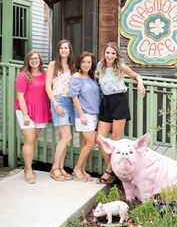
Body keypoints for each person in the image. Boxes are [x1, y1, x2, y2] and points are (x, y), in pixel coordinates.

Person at [96, 42, 146, 184]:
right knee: (100, 139)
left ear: (116, 55)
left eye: (113, 53)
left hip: (119, 102)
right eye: (107, 53)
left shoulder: (121, 67)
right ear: (104, 53)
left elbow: (137, 76)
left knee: (116, 138)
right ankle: (113, 169)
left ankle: (109, 172)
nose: (110, 56)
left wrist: (140, 84)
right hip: (106, 103)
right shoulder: (100, 66)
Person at [15, 50, 51, 184]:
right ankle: (28, 169)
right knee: (30, 139)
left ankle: (27, 165)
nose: (34, 60)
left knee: (32, 139)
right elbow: (20, 96)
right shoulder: (23, 75)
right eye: (31, 59)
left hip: (40, 110)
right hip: (26, 110)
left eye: (36, 58)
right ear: (28, 62)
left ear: (40, 60)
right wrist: (25, 115)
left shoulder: (45, 74)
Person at [46, 39, 75, 181]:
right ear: (58, 50)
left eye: (66, 48)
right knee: (67, 136)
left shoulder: (72, 66)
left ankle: (61, 168)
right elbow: (47, 86)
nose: (64, 50)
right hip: (58, 101)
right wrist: (55, 104)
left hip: (70, 103)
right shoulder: (53, 64)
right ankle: (55, 168)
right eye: (61, 48)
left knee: (63, 138)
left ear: (70, 51)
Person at [70, 51, 100, 182]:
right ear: (79, 64)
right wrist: (81, 115)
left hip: (93, 114)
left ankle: (82, 169)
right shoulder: (77, 76)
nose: (86, 64)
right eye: (84, 62)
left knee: (85, 144)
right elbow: (74, 96)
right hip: (84, 115)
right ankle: (77, 169)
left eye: (89, 62)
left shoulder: (92, 78)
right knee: (92, 141)